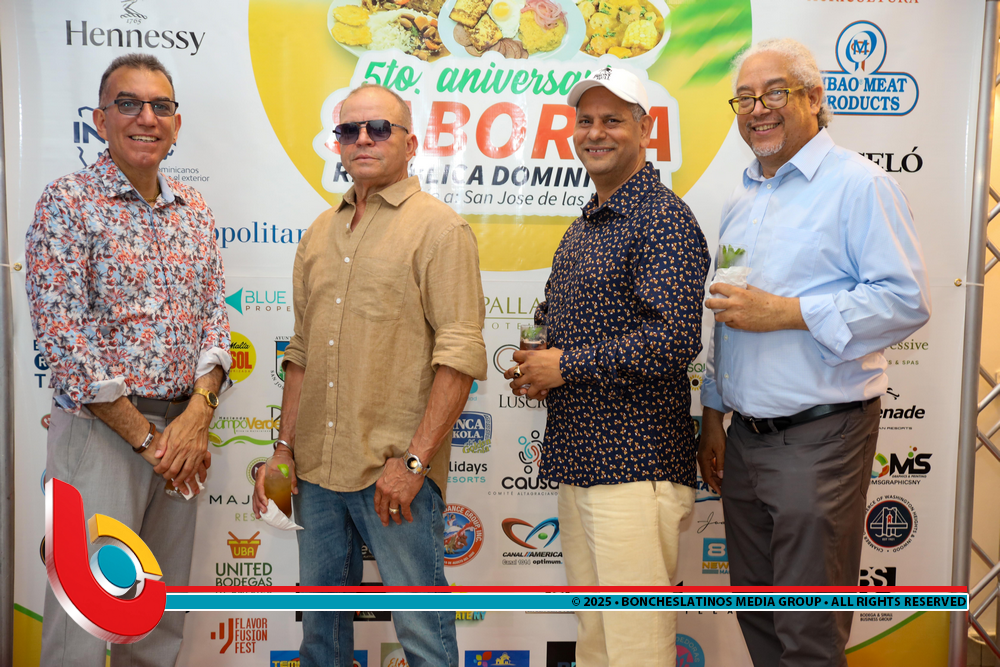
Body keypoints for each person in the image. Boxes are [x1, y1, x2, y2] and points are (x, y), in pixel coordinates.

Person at [699, 38, 931, 667]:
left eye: (774, 92)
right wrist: (714, 414)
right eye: (745, 98)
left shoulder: (859, 185)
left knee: (808, 630)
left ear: (813, 98)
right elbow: (729, 314)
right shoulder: (743, 197)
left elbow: (905, 300)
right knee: (758, 615)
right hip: (744, 439)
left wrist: (789, 312)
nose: (758, 109)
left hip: (820, 436)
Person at [252, 83, 487, 667]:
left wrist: (415, 463)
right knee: (320, 641)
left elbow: (459, 357)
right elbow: (302, 352)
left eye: (379, 128)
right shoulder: (318, 233)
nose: (362, 139)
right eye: (349, 130)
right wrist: (283, 451)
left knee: (424, 639)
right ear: (336, 142)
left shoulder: (440, 230)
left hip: (394, 474)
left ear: (411, 142)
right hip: (315, 473)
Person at [25, 53, 230, 666]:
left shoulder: (195, 209)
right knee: (86, 621)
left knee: (157, 619)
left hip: (182, 437)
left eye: (160, 106)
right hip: (101, 435)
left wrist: (198, 415)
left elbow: (215, 320)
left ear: (176, 123)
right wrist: (146, 440)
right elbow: (64, 337)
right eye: (129, 104)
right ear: (100, 119)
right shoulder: (68, 202)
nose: (147, 117)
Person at [504, 66, 711, 666]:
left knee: (635, 647)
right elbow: (558, 321)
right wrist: (538, 361)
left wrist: (566, 366)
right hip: (581, 456)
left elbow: (674, 338)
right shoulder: (585, 224)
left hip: (635, 463)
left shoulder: (663, 218)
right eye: (586, 120)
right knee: (597, 642)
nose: (595, 132)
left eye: (613, 120)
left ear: (645, 130)